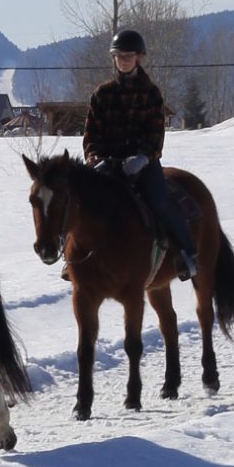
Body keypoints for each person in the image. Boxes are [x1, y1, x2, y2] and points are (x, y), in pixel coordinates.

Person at [83, 28, 198, 282]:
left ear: (139, 58)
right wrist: (95, 159)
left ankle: (187, 253)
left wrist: (143, 157)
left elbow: (155, 132)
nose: (123, 60)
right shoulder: (102, 94)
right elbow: (91, 135)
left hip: (142, 164)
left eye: (128, 55)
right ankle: (76, 259)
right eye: (118, 55)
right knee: (83, 202)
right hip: (108, 165)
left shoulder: (150, 93)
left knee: (159, 200)